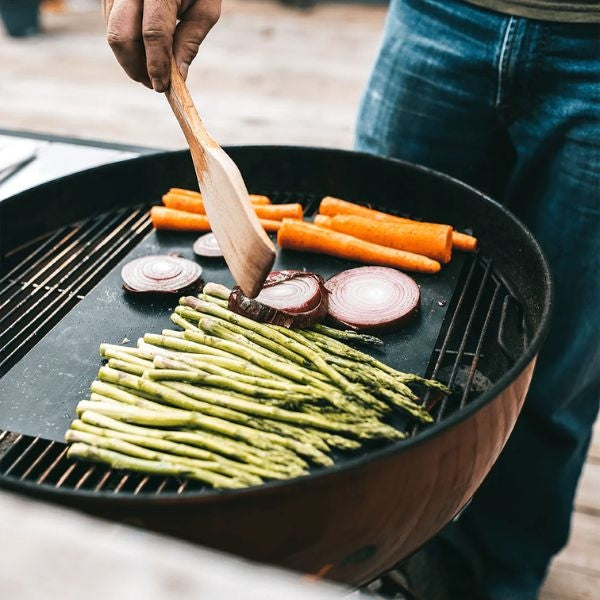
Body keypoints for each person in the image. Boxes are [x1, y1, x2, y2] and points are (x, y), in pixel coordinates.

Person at [101, 1, 600, 598]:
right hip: (439, 16)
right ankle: (388, 545)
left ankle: (497, 581)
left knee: (557, 376)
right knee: (415, 367)